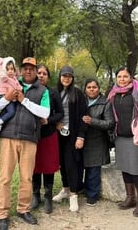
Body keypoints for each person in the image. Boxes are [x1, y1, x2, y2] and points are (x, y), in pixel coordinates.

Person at [0, 57, 50, 230]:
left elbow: (45, 112)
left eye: (31, 69)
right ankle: (2, 213)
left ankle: (23, 209)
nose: (28, 71)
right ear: (21, 70)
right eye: (25, 68)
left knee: (26, 177)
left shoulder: (42, 90)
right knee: (5, 177)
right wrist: (8, 97)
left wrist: (24, 100)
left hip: (29, 138)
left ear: (35, 71)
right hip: (8, 137)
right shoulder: (9, 82)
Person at [107, 66, 138, 217]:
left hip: (136, 137)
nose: (122, 79)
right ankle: (130, 198)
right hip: (120, 136)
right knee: (125, 167)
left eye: (125, 76)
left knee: (137, 169)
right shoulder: (113, 94)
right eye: (119, 76)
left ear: (131, 78)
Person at [52, 65, 88, 212]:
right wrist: (55, 123)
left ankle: (74, 195)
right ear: (60, 77)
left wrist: (81, 136)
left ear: (72, 78)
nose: (66, 78)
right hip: (58, 134)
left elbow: (83, 117)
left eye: (69, 76)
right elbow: (51, 111)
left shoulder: (78, 94)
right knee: (62, 163)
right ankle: (65, 189)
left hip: (73, 134)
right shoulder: (55, 92)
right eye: (64, 76)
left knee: (71, 164)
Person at [30, 64, 64, 214]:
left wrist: (49, 120)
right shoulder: (29, 91)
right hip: (32, 135)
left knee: (49, 167)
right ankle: (36, 196)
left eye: (44, 73)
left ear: (48, 77)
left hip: (49, 135)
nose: (41, 75)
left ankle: (48, 197)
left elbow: (60, 113)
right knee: (34, 166)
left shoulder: (53, 92)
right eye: (39, 73)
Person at [81, 79, 115, 206]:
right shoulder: (81, 100)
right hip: (83, 139)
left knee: (93, 169)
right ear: (85, 89)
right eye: (89, 87)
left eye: (94, 87)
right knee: (82, 167)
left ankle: (92, 195)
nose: (91, 89)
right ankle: (82, 188)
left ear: (98, 89)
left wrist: (92, 121)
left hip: (98, 141)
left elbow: (110, 123)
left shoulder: (105, 103)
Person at [0, 57, 22, 132]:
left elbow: (17, 85)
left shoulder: (14, 78)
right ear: (4, 70)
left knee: (6, 111)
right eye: (8, 69)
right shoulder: (4, 77)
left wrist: (20, 88)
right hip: (4, 95)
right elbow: (2, 75)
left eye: (12, 69)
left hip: (11, 96)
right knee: (11, 112)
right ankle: (0, 121)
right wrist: (1, 69)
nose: (10, 71)